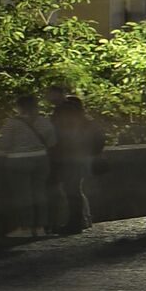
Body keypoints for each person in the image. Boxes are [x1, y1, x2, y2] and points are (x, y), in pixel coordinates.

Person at [33, 92, 101, 234]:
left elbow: (54, 140)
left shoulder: (63, 122)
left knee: (69, 191)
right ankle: (78, 221)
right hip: (81, 158)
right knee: (74, 190)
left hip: (67, 159)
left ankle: (71, 223)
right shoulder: (87, 121)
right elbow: (98, 141)